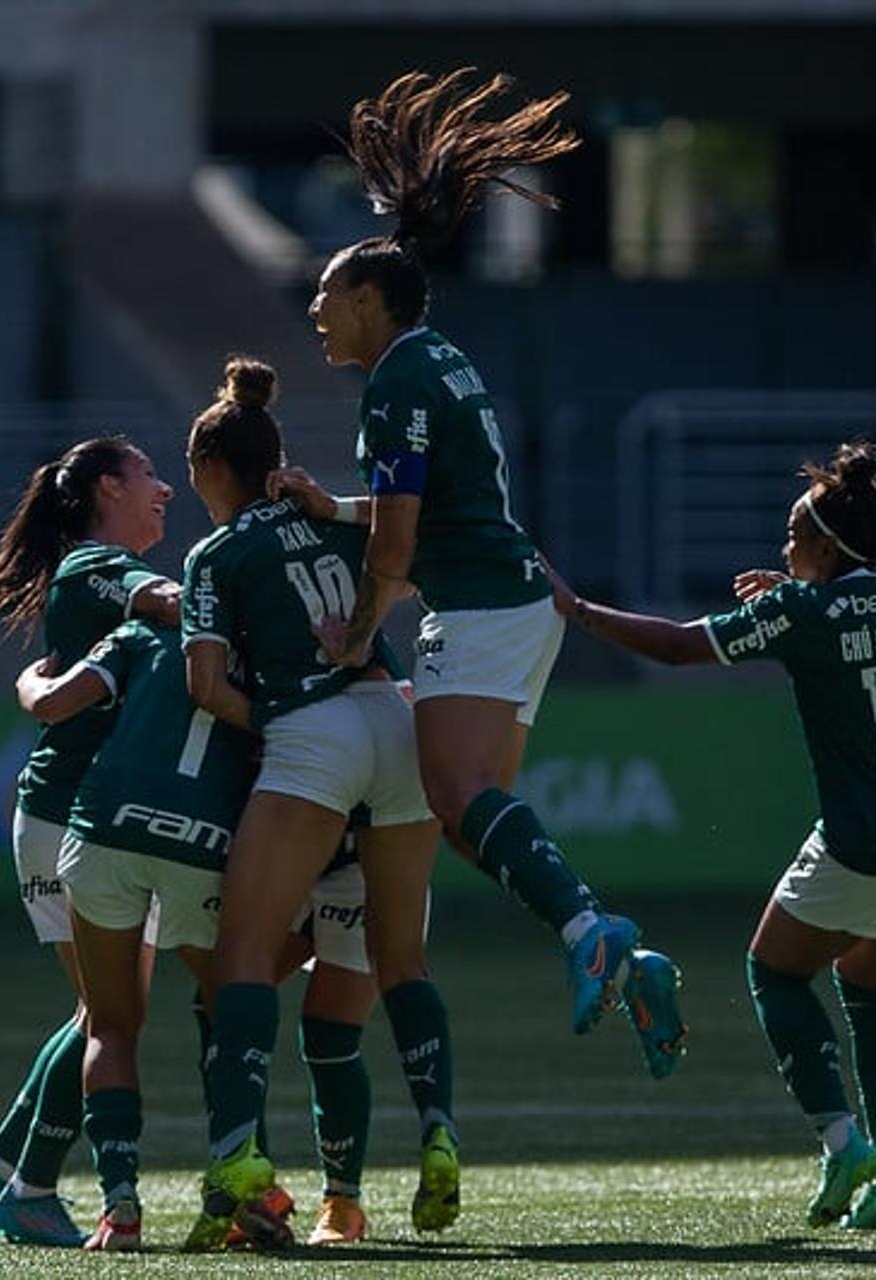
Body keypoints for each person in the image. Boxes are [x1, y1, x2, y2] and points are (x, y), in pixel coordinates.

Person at [269, 69, 686, 1063]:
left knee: (456, 798)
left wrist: (361, 629)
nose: (316, 312)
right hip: (516, 595)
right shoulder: (440, 358)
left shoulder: (399, 379)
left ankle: (596, 934)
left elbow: (404, 543)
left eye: (327, 296)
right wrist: (340, 506)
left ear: (371, 298)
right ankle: (618, 955)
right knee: (469, 820)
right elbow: (432, 507)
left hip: (486, 606)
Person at [548, 440, 876, 1231]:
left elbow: (680, 647)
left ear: (822, 546)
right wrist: (799, 597)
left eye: (793, 537)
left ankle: (841, 1142)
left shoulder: (798, 613)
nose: (783, 549)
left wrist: (577, 610)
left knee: (774, 974)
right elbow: (866, 624)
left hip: (868, 839)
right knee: (870, 987)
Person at [177, 358, 449, 1249]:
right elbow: (413, 550)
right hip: (399, 720)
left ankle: (234, 1160)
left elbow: (208, 687)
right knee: (399, 963)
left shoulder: (218, 551)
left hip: (314, 739)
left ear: (211, 470)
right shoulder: (340, 518)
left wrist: (280, 716)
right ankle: (434, 1135)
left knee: (244, 955)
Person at [0, 436, 179, 1246]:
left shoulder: (90, 574)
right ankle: (28, 1182)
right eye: (149, 474)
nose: (166, 489)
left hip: (78, 817)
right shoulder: (94, 566)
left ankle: (4, 1160)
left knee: (105, 1012)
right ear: (109, 486)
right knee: (113, 1014)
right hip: (67, 819)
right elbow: (175, 606)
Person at [12, 617, 259, 1252]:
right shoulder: (273, 643)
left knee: (109, 1023)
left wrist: (27, 679)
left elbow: (52, 705)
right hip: (203, 842)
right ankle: (243, 1193)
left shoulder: (141, 633)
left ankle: (120, 1207)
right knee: (230, 1007)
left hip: (106, 827)